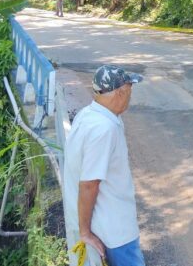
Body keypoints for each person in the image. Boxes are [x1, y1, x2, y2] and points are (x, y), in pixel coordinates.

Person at [64, 65, 146, 266]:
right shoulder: (104, 129)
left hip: (105, 224)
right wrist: (85, 233)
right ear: (120, 92)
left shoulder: (88, 115)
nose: (130, 96)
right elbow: (89, 184)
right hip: (114, 231)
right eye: (130, 90)